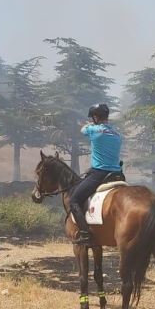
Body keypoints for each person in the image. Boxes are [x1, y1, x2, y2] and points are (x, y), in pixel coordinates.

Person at [68, 103, 123, 245]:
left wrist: (89, 123)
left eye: (93, 117)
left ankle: (85, 233)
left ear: (96, 117)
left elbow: (82, 130)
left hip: (100, 173)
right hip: (117, 173)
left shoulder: (93, 130)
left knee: (73, 200)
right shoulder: (117, 134)